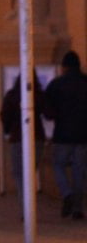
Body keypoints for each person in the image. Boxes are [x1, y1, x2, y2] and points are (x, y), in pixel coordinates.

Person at [44, 51, 87, 219]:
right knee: (79, 171)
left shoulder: (56, 84)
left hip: (62, 134)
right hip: (83, 136)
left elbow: (48, 110)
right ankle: (77, 209)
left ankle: (67, 193)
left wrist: (54, 115)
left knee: (58, 165)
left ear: (64, 67)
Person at [0, 73, 46, 216]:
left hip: (18, 137)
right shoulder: (38, 95)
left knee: (19, 174)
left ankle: (26, 209)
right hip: (37, 137)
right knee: (31, 172)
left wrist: (8, 129)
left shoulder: (12, 95)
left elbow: (5, 115)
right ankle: (29, 207)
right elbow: (49, 112)